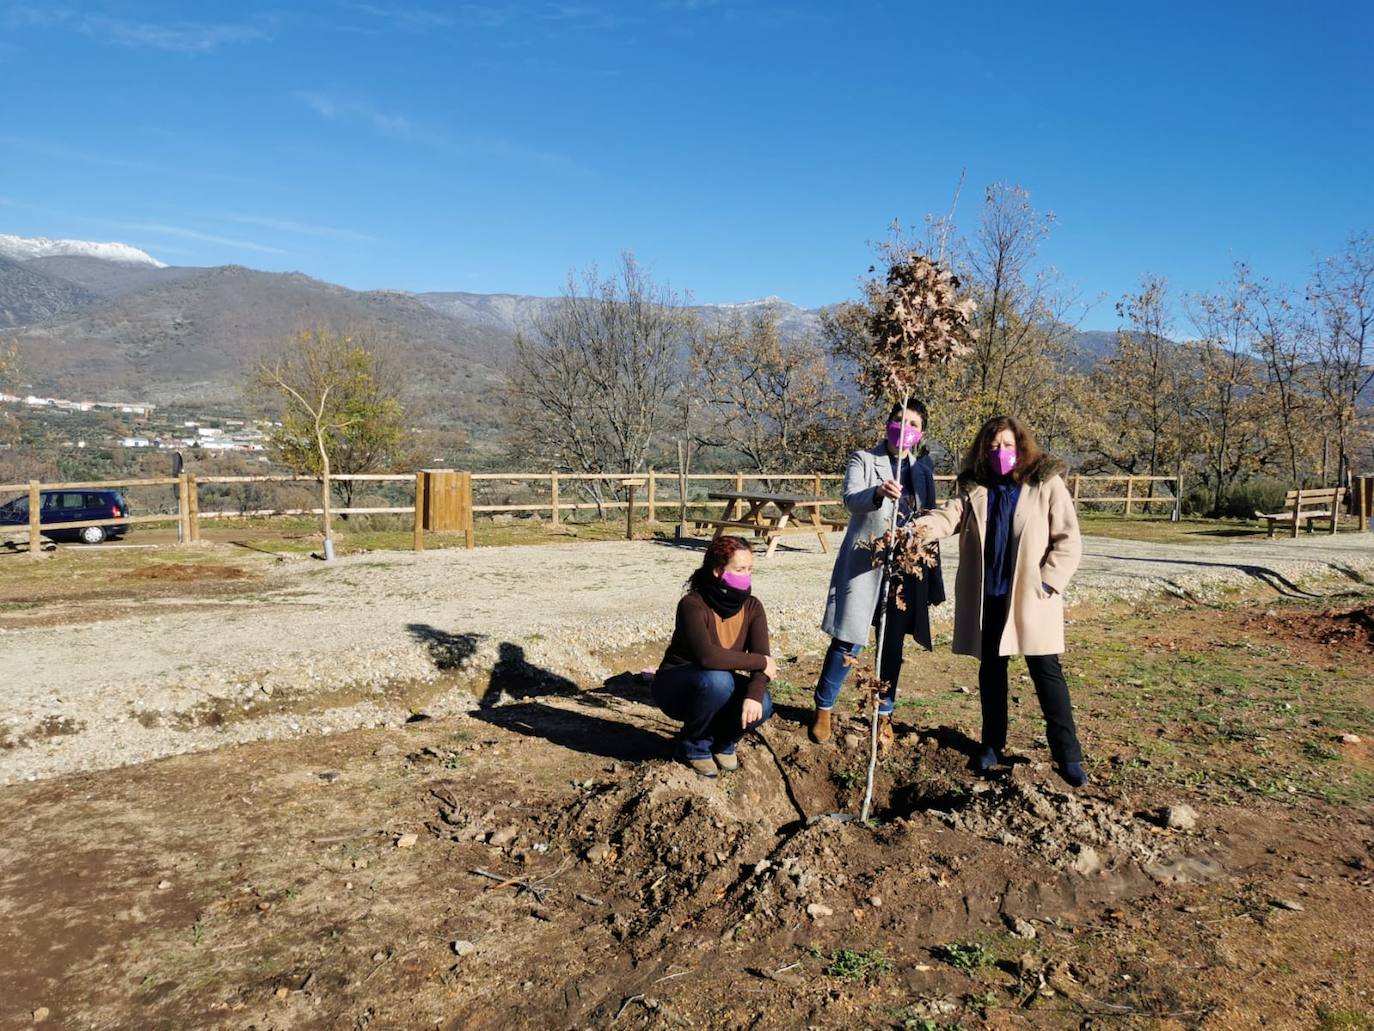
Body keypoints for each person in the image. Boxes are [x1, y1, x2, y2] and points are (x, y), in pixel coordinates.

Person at [910, 415, 1088, 787]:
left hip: (1031, 597)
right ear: (983, 450)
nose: (1000, 453)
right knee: (992, 673)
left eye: (1007, 446)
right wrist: (917, 531)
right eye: (993, 447)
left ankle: (1068, 755)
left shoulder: (1045, 483)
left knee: (1047, 674)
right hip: (989, 595)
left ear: (1021, 447)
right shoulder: (975, 487)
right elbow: (949, 517)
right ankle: (992, 745)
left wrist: (1049, 583)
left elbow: (1068, 540)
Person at [812, 400, 945, 751]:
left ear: (921, 434)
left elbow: (929, 519)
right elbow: (851, 499)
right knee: (848, 641)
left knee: (892, 646)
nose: (905, 427)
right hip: (863, 566)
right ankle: (824, 706)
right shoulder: (864, 460)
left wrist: (929, 571)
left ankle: (884, 714)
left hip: (903, 571)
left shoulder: (923, 470)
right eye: (899, 420)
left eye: (913, 423)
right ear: (888, 423)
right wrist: (877, 493)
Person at [654, 535, 776, 778]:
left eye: (750, 569)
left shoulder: (753, 607)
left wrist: (754, 693)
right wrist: (762, 662)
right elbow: (708, 657)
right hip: (677, 686)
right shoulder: (692, 605)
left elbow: (762, 658)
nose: (746, 575)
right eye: (739, 569)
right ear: (719, 571)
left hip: (716, 685)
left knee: (763, 703)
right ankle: (693, 745)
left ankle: (723, 742)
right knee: (719, 681)